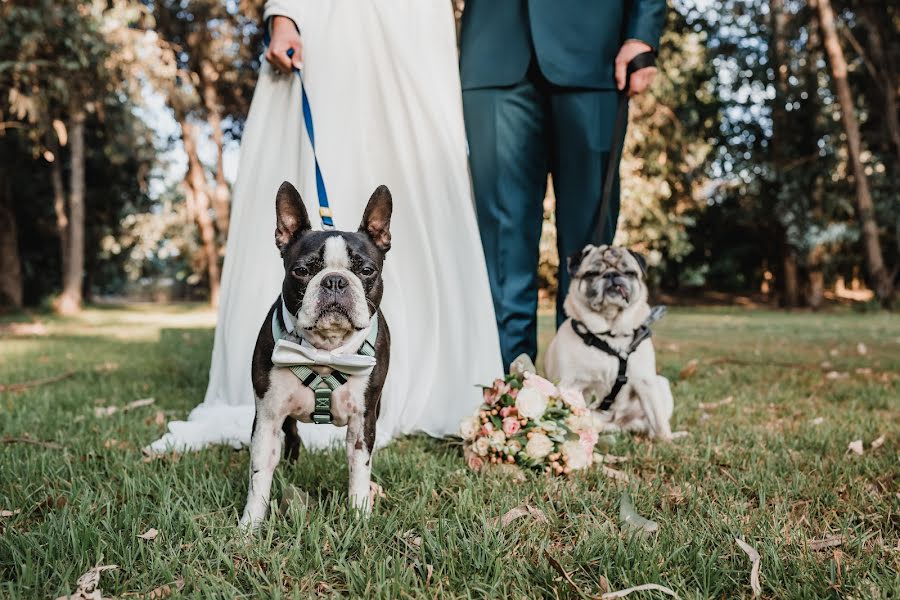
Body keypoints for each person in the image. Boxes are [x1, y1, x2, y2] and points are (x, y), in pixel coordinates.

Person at [149, 0, 502, 453]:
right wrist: (282, 14)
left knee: (422, 176)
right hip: (328, 16)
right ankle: (287, 387)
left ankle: (424, 388)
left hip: (414, 22)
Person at [460, 0, 666, 369]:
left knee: (589, 237)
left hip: (595, 56)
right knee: (501, 240)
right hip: (493, 50)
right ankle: (506, 390)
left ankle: (585, 386)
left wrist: (641, 34)